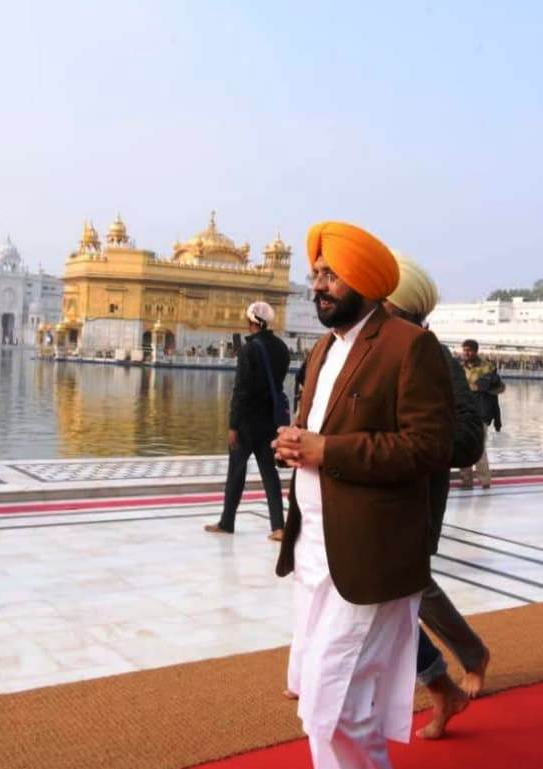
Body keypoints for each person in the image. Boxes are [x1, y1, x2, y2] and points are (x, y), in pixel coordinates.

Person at [273, 222, 454, 769]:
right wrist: (295, 445)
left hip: (369, 556)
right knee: (317, 696)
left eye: (331, 274)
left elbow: (428, 448)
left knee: (339, 704)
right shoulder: (324, 349)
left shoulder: (410, 347)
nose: (318, 285)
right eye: (316, 274)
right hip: (316, 552)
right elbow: (322, 433)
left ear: (365, 280)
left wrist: (329, 450)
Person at [384, 253, 490, 739]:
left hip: (413, 503)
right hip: (372, 504)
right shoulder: (367, 347)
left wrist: (408, 448)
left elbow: (468, 438)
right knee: (399, 597)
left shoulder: (431, 353)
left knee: (401, 596)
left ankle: (447, 675)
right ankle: (450, 670)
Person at [205, 301, 290, 540]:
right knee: (269, 474)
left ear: (251, 322)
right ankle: (278, 527)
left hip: (246, 423)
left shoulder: (249, 349)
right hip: (269, 422)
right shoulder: (281, 348)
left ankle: (227, 522)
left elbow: (241, 390)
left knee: (236, 473)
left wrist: (233, 425)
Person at [459, 339, 504, 490]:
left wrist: (497, 420)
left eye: (469, 350)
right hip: (463, 414)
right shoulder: (459, 368)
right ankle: (466, 482)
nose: (466, 353)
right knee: (463, 446)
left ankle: (485, 481)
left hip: (480, 414)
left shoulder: (487, 368)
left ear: (476, 351)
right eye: (464, 350)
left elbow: (490, 390)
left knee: (479, 447)